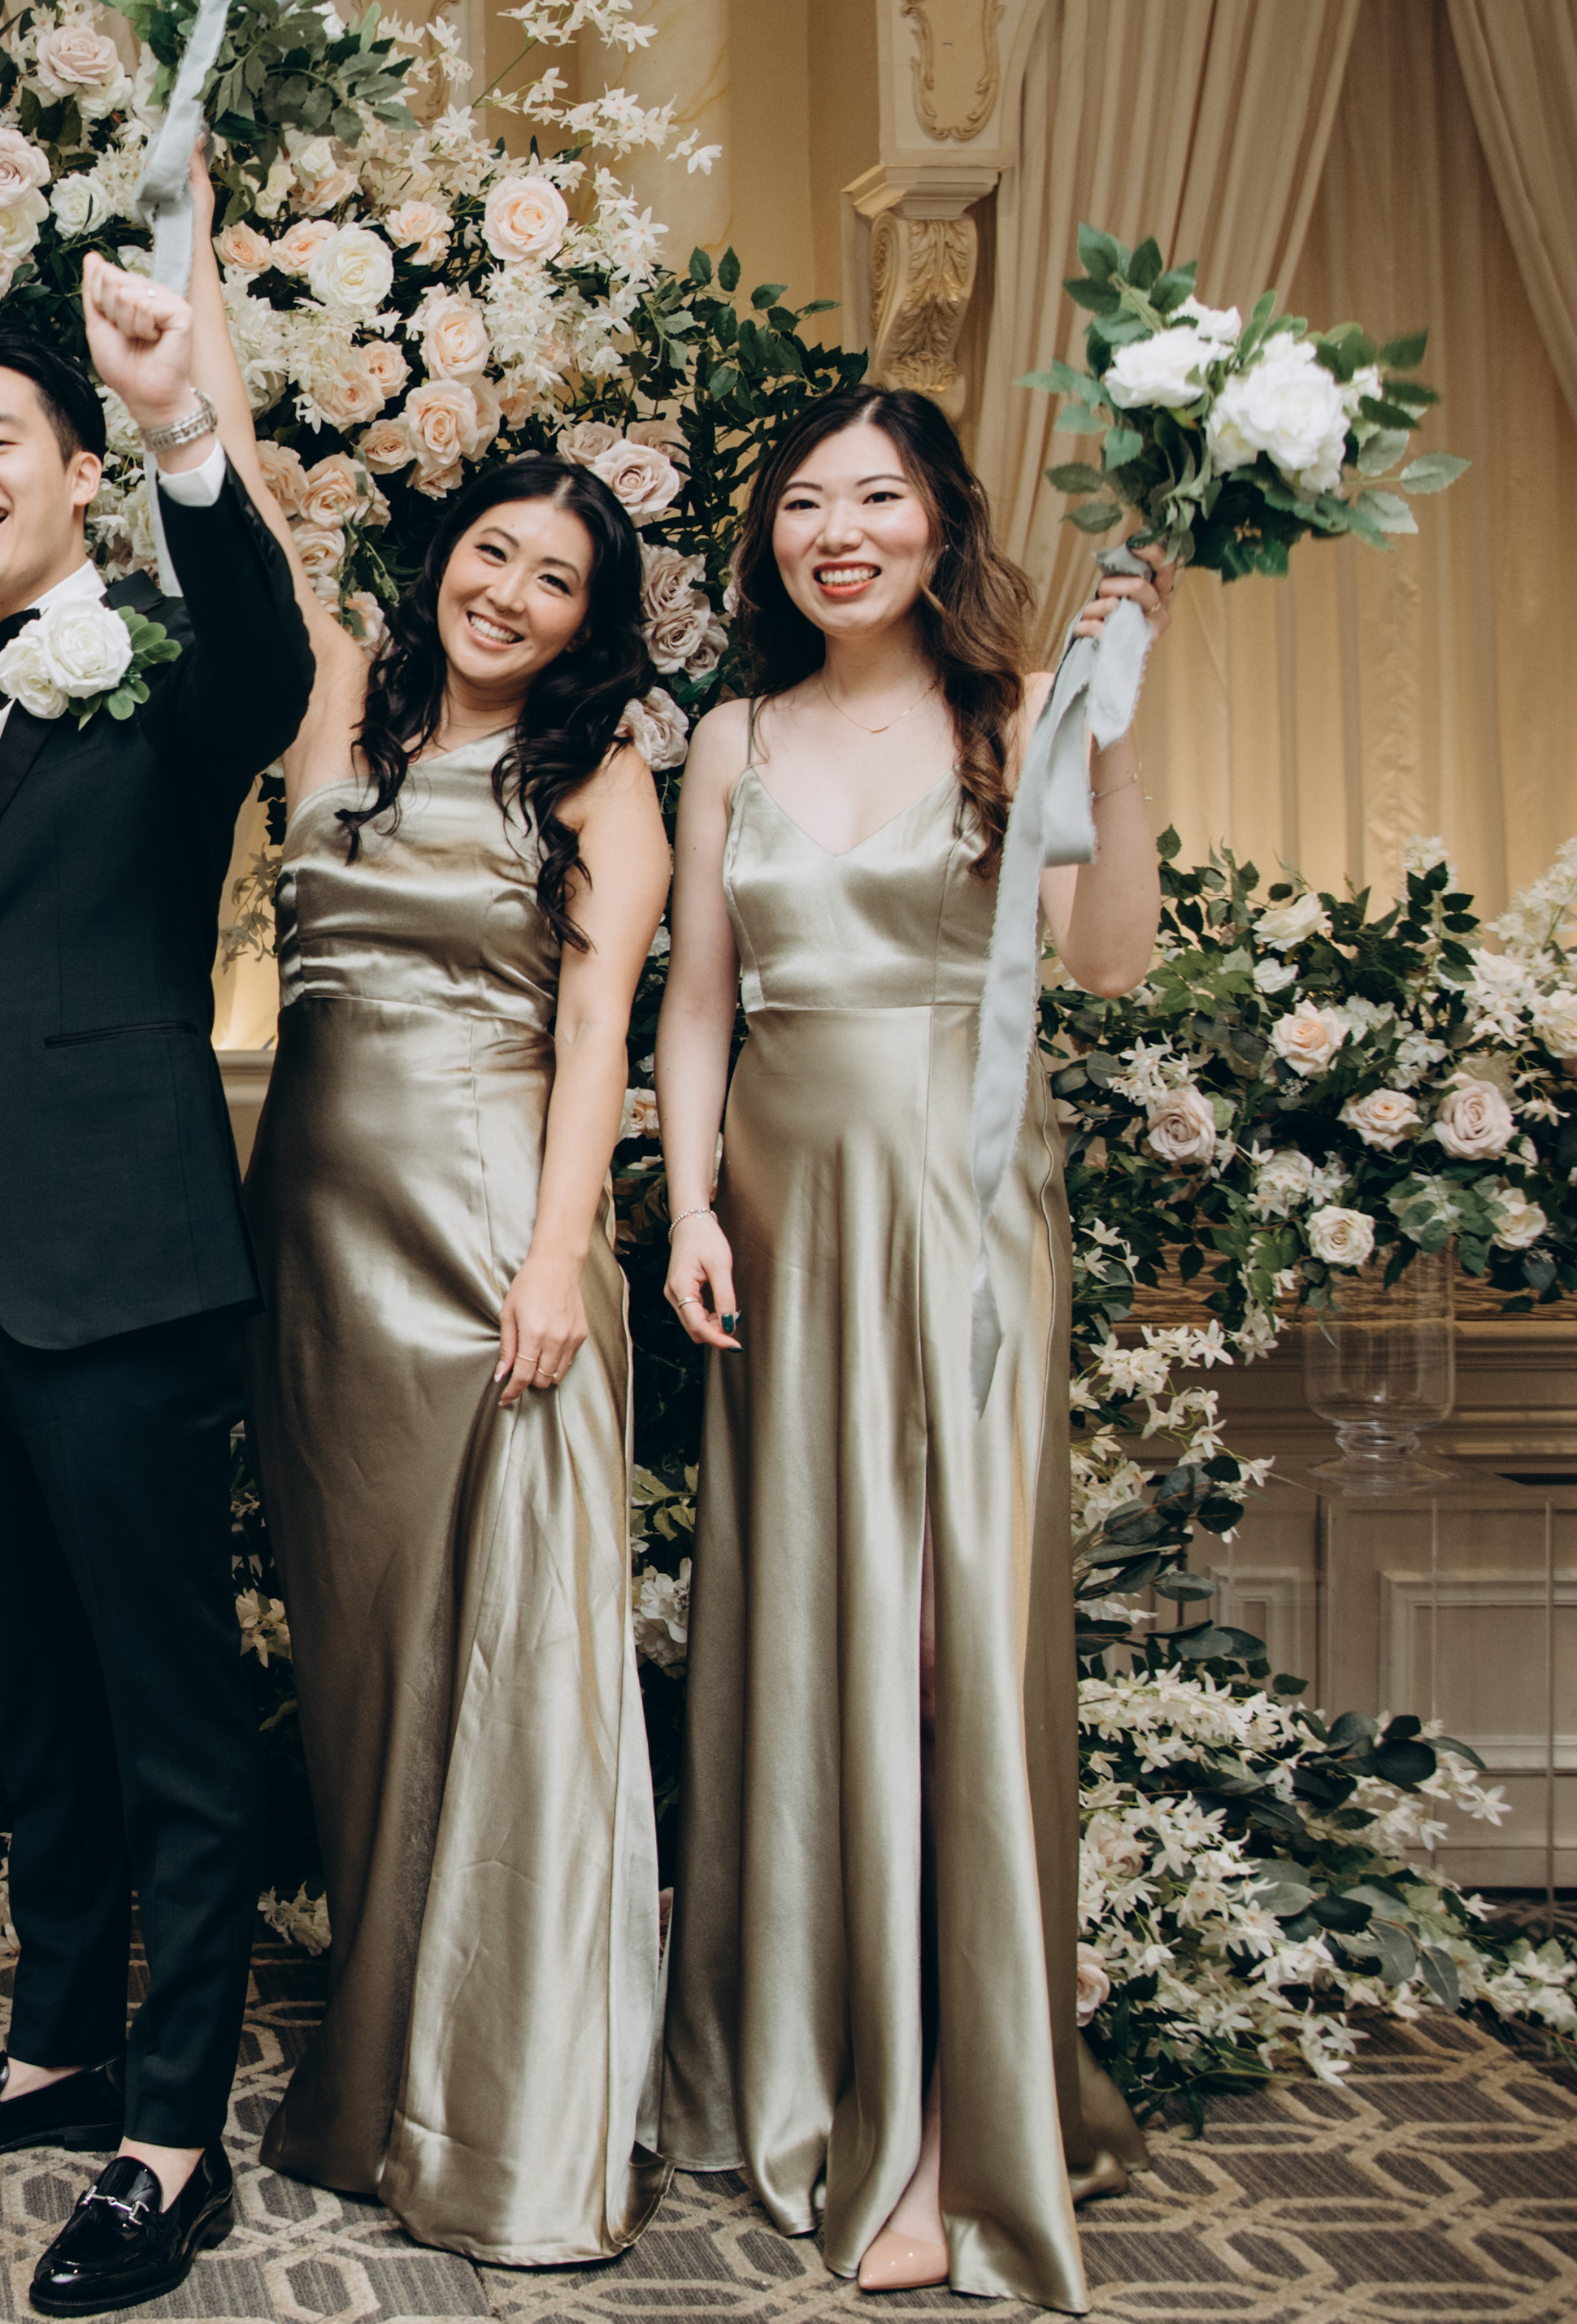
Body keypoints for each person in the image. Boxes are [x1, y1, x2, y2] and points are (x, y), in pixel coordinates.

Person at [650, 386, 1160, 2308]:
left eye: (874, 497)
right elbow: (696, 1003)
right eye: (803, 501)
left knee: (949, 1660)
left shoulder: (1013, 714)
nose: (836, 531)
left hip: (959, 1225)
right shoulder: (731, 734)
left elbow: (1106, 956)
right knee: (816, 1646)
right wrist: (689, 1205)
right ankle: (808, 2060)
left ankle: (957, 2130)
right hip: (783, 1234)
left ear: (939, 520)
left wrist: (1121, 722)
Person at [0, 258, 314, 2319]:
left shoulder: (166, 656)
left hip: (126, 1264)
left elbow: (270, 665)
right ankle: (55, 2043)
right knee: (35, 1679)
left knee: (169, 1706)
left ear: (67, 471)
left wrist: (182, 435)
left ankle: (172, 2131)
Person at [244, 452, 672, 2266]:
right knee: (360, 1661)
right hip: (312, 1250)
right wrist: (185, 318)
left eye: (553, 578)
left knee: (505, 1660)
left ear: (589, 621)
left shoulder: (598, 772)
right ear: (442, 556)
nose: (507, 591)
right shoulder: (340, 696)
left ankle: (498, 2111)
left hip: (495, 1245)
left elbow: (598, 1026)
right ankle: (384, 2049)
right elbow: (239, 498)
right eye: (490, 551)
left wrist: (560, 1252)